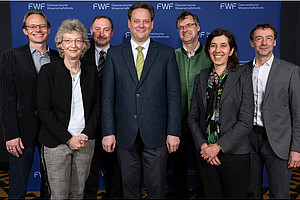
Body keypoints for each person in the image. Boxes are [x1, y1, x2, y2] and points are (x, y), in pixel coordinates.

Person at [101, 2, 182, 198]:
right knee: (129, 190)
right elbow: (107, 97)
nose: (141, 25)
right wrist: (108, 132)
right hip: (124, 133)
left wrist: (173, 131)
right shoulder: (114, 54)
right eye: (136, 21)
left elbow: (173, 96)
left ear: (152, 24)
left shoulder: (166, 53)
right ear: (129, 23)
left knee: (156, 190)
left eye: (146, 21)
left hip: (157, 133)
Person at [37, 19, 100, 199]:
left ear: (84, 45)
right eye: (68, 40)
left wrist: (85, 134)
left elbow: (97, 106)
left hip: (84, 141)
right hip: (56, 144)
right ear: (61, 45)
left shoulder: (91, 71)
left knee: (78, 194)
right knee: (59, 195)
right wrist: (68, 139)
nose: (73, 45)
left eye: (78, 40)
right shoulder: (48, 72)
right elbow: (44, 110)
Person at [0, 10, 59, 199]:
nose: (38, 30)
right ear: (25, 31)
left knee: (49, 186)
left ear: (49, 29)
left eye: (42, 26)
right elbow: (6, 98)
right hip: (21, 132)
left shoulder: (59, 58)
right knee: (18, 187)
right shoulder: (11, 56)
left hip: (51, 131)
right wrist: (11, 134)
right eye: (32, 26)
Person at [188, 28, 254, 198]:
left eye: (223, 46)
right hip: (205, 155)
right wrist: (204, 146)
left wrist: (218, 147)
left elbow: (246, 121)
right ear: (208, 49)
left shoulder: (243, 77)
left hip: (234, 155)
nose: (218, 50)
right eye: (213, 46)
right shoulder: (201, 77)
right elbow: (193, 118)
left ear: (231, 51)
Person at [246, 23, 300, 199]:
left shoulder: (290, 71)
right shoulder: (242, 71)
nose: (264, 43)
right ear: (252, 42)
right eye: (259, 38)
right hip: (248, 140)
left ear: (274, 42)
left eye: (269, 38)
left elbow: (297, 113)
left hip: (278, 142)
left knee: (279, 194)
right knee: (251, 192)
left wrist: (296, 149)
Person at [82, 15, 123, 199]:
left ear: (112, 33)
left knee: (115, 170)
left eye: (106, 29)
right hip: (87, 124)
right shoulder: (81, 55)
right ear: (91, 31)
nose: (101, 33)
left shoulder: (122, 56)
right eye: (97, 29)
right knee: (88, 170)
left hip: (115, 124)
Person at [173, 10, 211, 198]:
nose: (184, 30)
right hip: (177, 122)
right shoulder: (171, 56)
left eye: (188, 25)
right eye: (181, 27)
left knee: (203, 166)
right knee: (177, 166)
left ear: (197, 27)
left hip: (203, 122)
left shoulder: (211, 55)